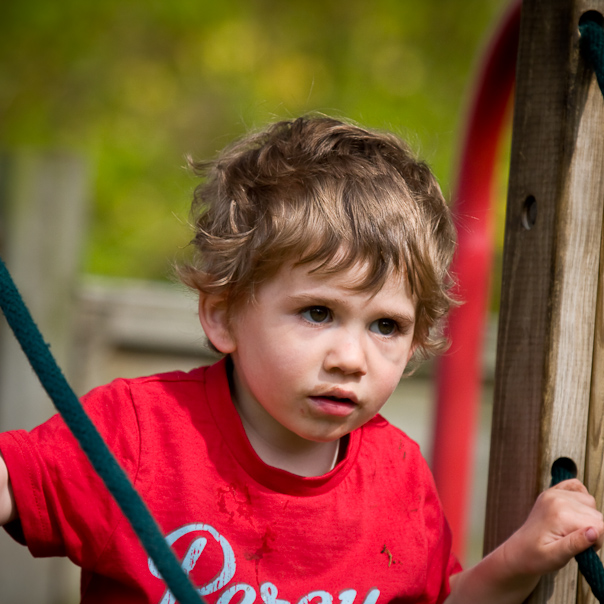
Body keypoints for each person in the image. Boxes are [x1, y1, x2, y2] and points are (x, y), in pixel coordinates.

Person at [0, 116, 601, 604]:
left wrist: (521, 557)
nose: (350, 359)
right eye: (317, 312)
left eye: (387, 326)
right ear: (222, 314)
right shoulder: (138, 433)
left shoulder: (398, 479)